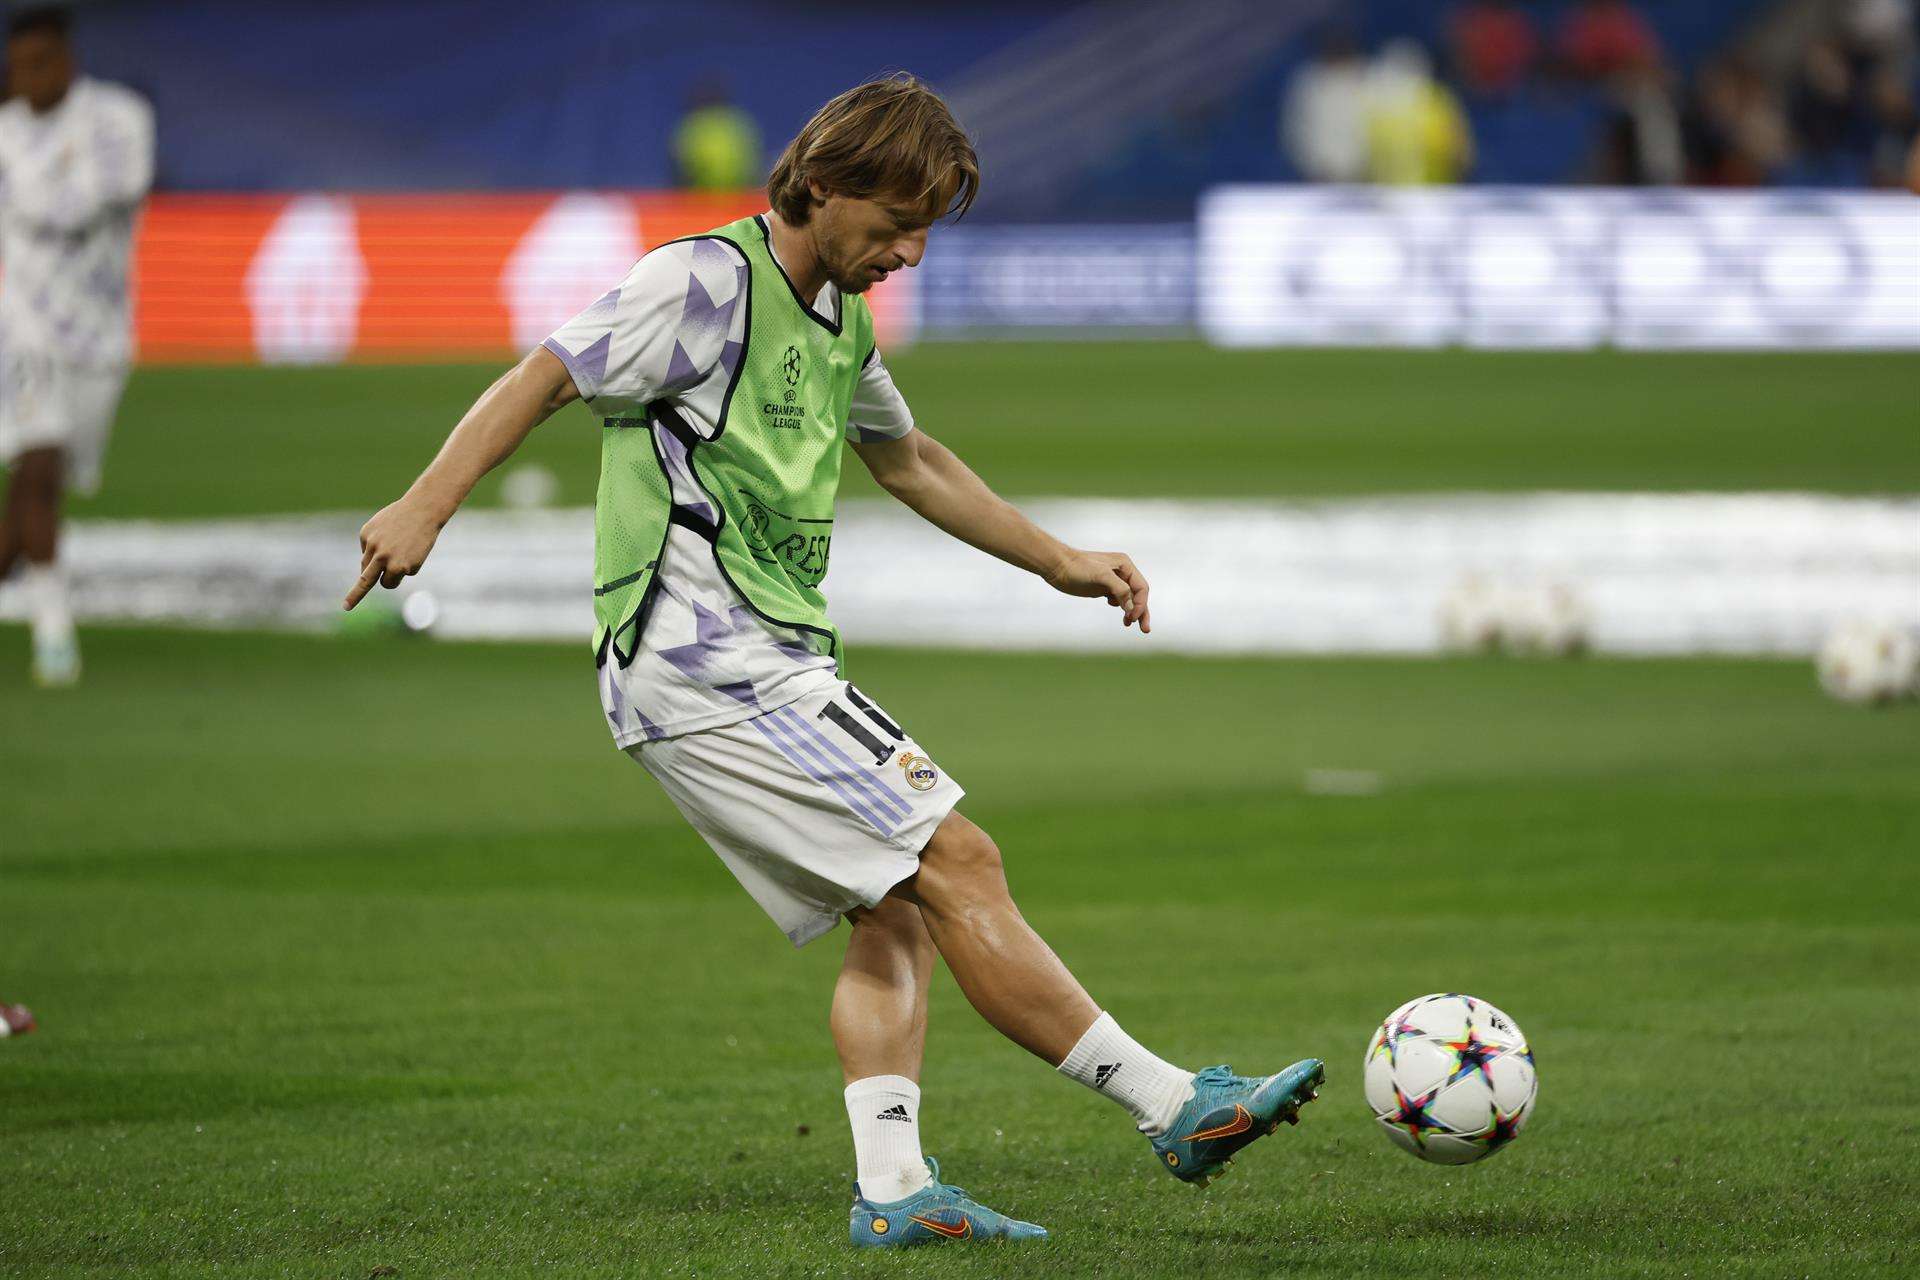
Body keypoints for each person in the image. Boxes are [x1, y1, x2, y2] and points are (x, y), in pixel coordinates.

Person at [346, 75, 1323, 1249]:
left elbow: (909, 459)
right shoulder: (703, 282)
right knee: (957, 856)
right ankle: (1174, 1105)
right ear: (820, 182)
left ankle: (896, 1191)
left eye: (923, 229)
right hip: (704, 652)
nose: (909, 250)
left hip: (757, 652)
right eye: (896, 220)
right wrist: (424, 503)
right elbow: (545, 375)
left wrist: (1055, 558)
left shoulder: (841, 317)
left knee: (896, 914)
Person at [0, 6, 153, 686]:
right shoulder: (5, 134)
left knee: (40, 494)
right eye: (17, 67)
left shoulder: (120, 118)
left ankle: (33, 596)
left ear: (67, 60)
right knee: (37, 465)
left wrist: (48, 177)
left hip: (98, 333)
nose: (27, 79)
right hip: (21, 324)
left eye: (40, 64)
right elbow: (44, 208)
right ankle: (54, 639)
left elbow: (93, 202)